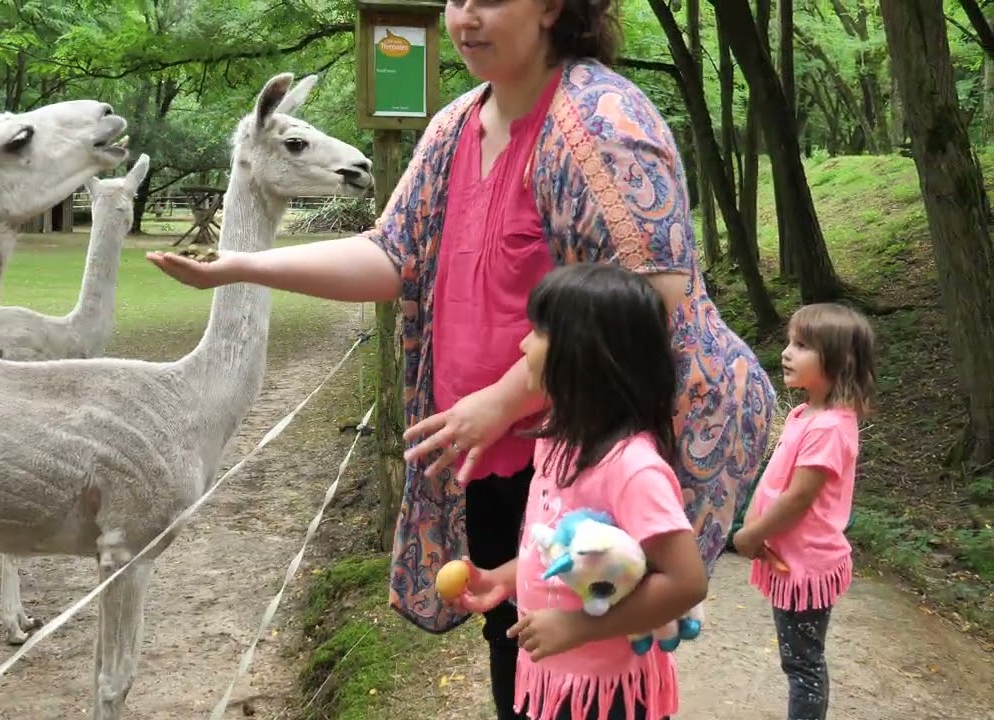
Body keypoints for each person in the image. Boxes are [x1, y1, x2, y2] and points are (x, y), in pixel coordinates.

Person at [146, 0, 774, 715]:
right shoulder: (452, 127)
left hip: (588, 451)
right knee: (517, 640)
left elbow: (652, 289)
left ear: (551, 7)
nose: (466, 18)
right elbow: (390, 252)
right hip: (490, 453)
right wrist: (239, 265)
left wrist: (506, 396)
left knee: (589, 652)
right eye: (455, 0)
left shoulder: (608, 124)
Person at [450, 262, 708, 720]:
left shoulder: (633, 469)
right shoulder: (554, 439)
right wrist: (502, 579)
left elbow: (686, 582)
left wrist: (576, 625)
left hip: (608, 699)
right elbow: (553, 544)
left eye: (538, 333)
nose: (523, 343)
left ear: (585, 355)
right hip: (557, 680)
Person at [733, 303, 875, 720]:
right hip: (787, 558)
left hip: (806, 564)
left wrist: (751, 534)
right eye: (789, 342)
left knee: (803, 665)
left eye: (802, 345)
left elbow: (797, 498)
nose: (786, 353)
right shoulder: (804, 414)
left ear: (838, 360)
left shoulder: (830, 427)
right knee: (798, 661)